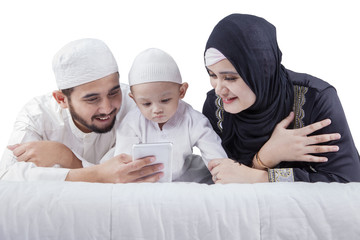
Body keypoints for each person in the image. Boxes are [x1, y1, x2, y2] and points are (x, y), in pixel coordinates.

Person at [203, 14, 360, 183]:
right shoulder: (217, 107)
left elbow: (348, 183)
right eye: (212, 75)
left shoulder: (315, 99)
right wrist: (263, 158)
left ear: (261, 71)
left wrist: (261, 176)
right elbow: (225, 177)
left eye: (230, 78)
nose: (219, 89)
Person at [0, 38, 163, 183]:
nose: (107, 108)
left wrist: (68, 160)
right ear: (61, 99)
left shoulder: (138, 107)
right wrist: (99, 175)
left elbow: (139, 173)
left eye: (114, 92)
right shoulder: (37, 115)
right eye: (92, 99)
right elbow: (7, 177)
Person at [102, 48, 227, 182]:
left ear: (181, 92)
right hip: (141, 176)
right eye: (146, 104)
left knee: (207, 173)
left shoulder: (194, 120)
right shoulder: (131, 123)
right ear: (134, 99)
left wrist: (222, 175)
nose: (156, 109)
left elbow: (216, 156)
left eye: (165, 100)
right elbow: (124, 161)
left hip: (183, 173)